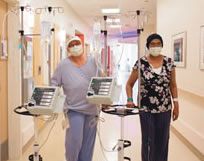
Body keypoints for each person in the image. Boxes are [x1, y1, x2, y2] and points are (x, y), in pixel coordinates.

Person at [126, 33, 179, 161]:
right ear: (148, 46)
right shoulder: (141, 63)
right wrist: (130, 100)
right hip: (146, 109)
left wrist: (176, 104)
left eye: (158, 44)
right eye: (152, 44)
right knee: (148, 141)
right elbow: (129, 84)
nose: (155, 46)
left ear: (162, 45)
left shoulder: (169, 62)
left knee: (163, 141)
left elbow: (173, 86)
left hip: (165, 109)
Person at [51, 36, 100, 161]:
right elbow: (54, 84)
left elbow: (101, 81)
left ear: (82, 44)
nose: (75, 47)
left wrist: (104, 99)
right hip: (73, 109)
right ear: (68, 49)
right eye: (71, 45)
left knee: (88, 145)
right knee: (74, 141)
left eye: (77, 43)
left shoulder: (93, 62)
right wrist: (56, 102)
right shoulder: (63, 65)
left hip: (92, 109)